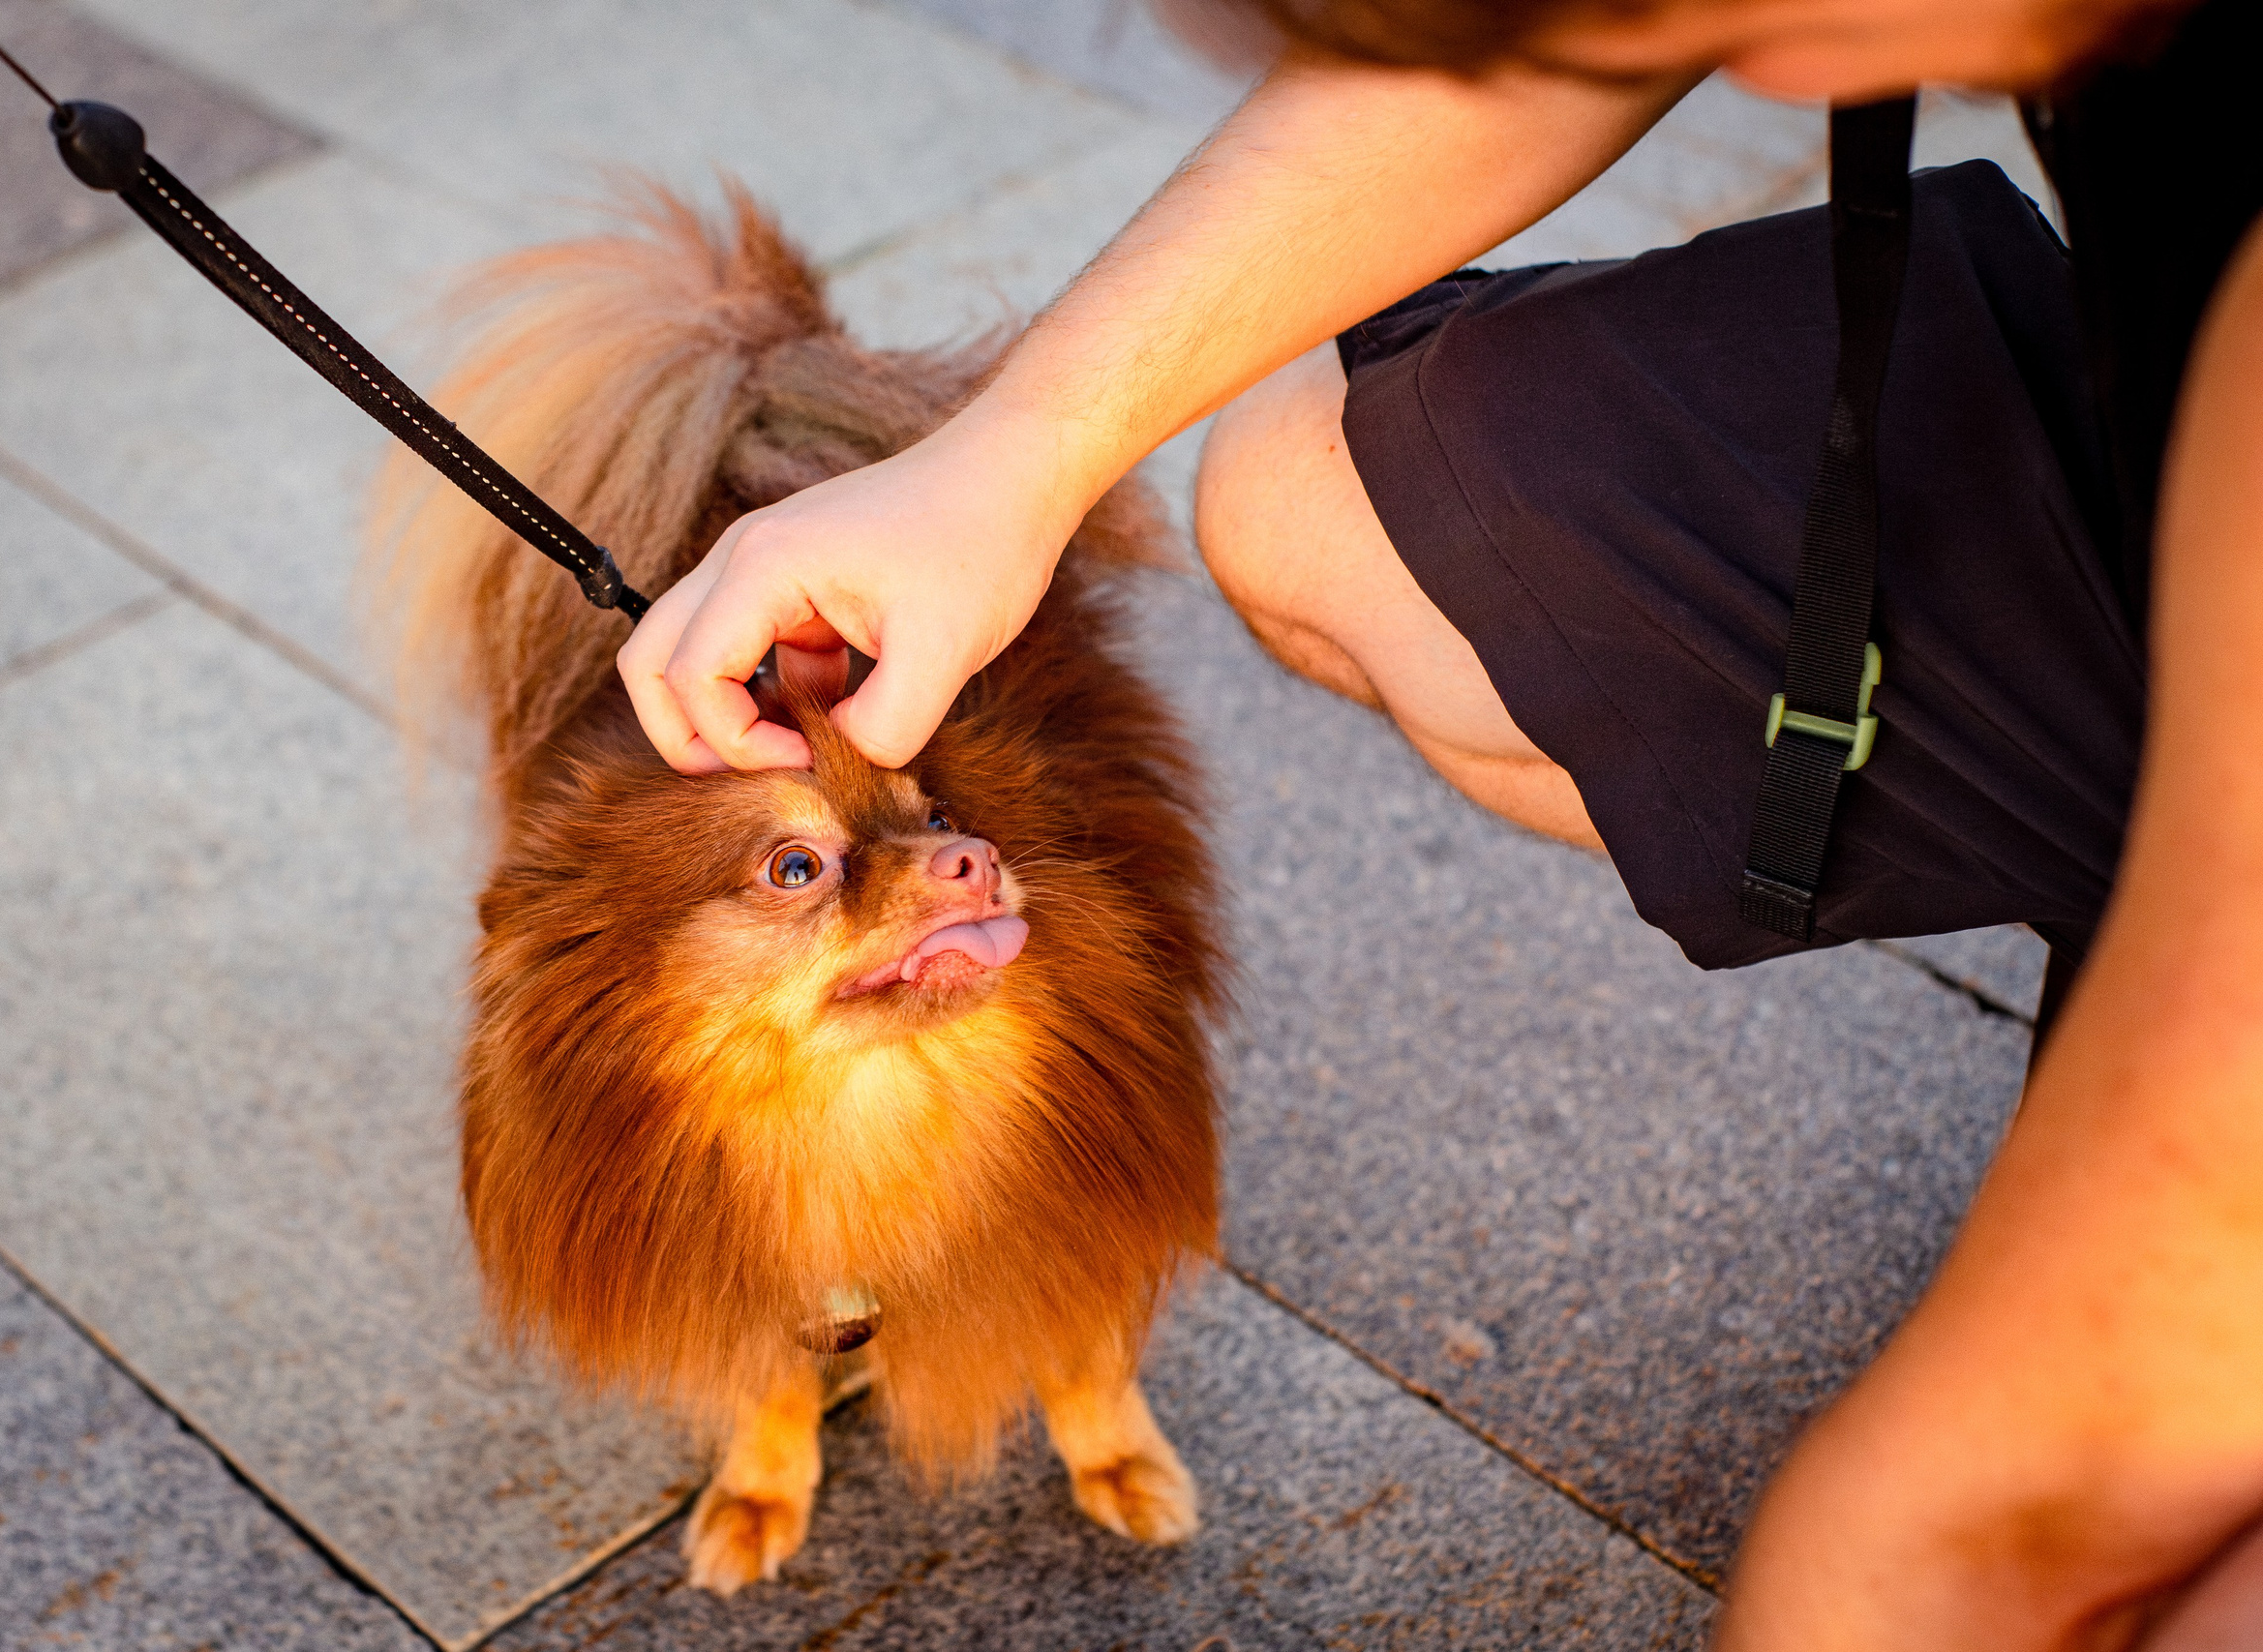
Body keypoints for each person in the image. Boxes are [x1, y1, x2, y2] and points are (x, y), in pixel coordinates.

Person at [616, 0, 2263, 1642]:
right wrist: (1013, 457)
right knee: (1299, 490)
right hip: (2147, 422)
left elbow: (1992, 1514)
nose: (1738, 78)